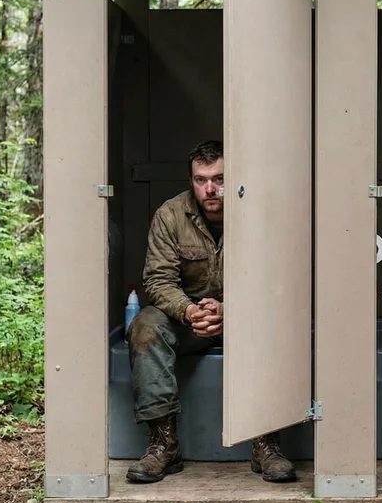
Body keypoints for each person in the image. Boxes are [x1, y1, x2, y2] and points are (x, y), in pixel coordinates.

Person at [125, 139, 297, 485]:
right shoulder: (170, 215)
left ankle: (266, 442)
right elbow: (158, 280)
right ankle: (163, 445)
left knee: (274, 325)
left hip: (245, 321)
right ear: (191, 181)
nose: (211, 188)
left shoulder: (259, 214)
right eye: (201, 180)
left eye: (219, 178)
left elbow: (279, 282)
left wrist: (231, 311)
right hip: (187, 322)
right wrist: (190, 311)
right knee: (144, 326)